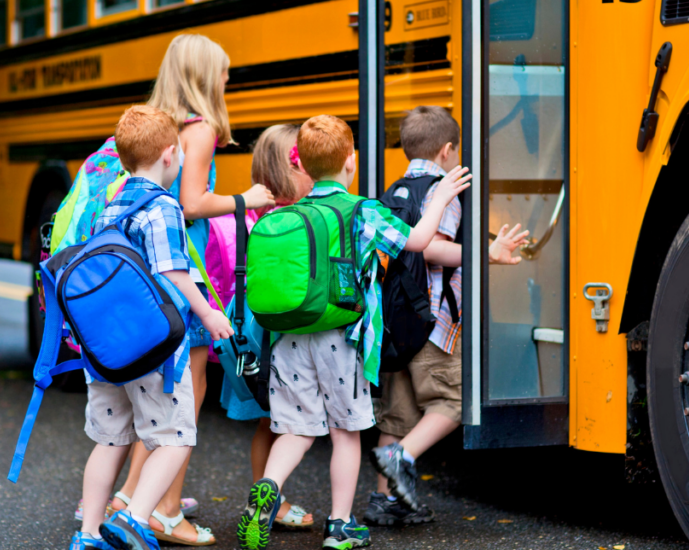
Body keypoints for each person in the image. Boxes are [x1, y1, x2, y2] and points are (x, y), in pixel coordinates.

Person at [235, 115, 472, 550]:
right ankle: (340, 525)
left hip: (289, 338)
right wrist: (438, 199)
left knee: (296, 430)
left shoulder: (293, 212)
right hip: (341, 339)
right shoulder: (363, 211)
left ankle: (268, 486)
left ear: (302, 167)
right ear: (351, 161)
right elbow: (418, 241)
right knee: (346, 433)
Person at [88, 34, 275, 545]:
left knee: (155, 394)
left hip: (142, 275)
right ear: (204, 77)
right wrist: (245, 198)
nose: (227, 81)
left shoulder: (161, 124)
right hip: (183, 268)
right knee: (183, 396)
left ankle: (129, 498)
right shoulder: (202, 128)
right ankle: (165, 511)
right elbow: (191, 203)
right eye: (224, 73)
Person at [70, 105, 234, 550]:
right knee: (177, 437)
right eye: (179, 152)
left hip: (106, 347)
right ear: (169, 155)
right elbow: (173, 274)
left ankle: (86, 536)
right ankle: (136, 519)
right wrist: (209, 314)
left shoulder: (110, 202)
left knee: (109, 441)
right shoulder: (161, 206)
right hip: (152, 348)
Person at [366, 106, 529, 526]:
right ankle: (399, 458)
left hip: (395, 324)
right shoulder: (446, 188)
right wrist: (486, 253)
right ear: (447, 149)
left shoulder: (396, 190)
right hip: (432, 325)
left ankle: (385, 501)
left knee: (398, 416)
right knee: (454, 400)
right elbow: (434, 247)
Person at [210, 124, 315, 529]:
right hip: (279, 330)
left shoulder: (256, 214)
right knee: (287, 421)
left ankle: (265, 495)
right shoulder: (293, 218)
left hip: (250, 326)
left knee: (265, 420)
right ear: (293, 168)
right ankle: (275, 500)